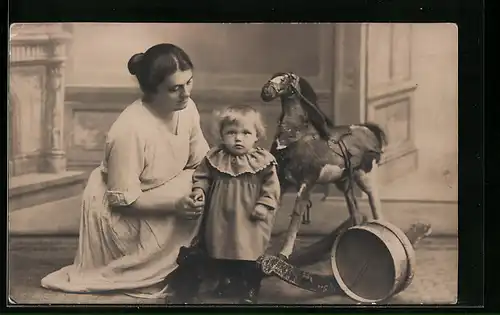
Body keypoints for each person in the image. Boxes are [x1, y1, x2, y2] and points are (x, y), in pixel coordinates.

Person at [40, 43, 209, 300]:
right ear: (152, 91)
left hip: (167, 189)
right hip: (121, 212)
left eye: (189, 83)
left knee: (221, 183)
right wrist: (176, 204)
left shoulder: (187, 109)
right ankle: (166, 265)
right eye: (175, 88)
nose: (185, 93)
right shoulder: (129, 130)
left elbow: (200, 161)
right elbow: (123, 201)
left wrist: (197, 189)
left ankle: (221, 262)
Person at [189, 105, 281, 304]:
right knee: (221, 250)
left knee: (249, 252)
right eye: (231, 132)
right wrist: (199, 190)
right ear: (222, 135)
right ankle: (227, 281)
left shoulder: (262, 160)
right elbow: (202, 177)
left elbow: (271, 186)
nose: (238, 138)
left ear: (257, 136)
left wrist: (264, 204)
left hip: (250, 216)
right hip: (220, 215)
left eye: (246, 133)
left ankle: (250, 287)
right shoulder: (215, 157)